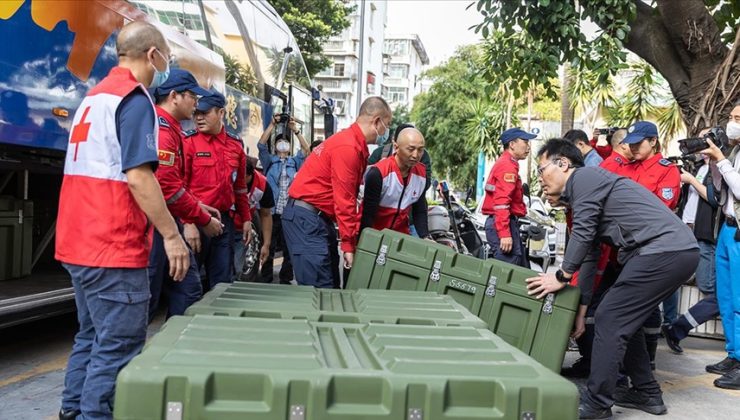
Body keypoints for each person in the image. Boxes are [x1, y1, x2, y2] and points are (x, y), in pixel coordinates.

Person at [55, 21, 190, 420]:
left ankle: (72, 411)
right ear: (153, 55)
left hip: (78, 242)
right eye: (166, 56)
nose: (165, 65)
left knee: (91, 336)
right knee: (118, 346)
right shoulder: (133, 100)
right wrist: (172, 236)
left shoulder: (94, 97)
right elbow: (140, 177)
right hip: (112, 244)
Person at [527, 138, 698, 419]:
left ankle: (596, 404)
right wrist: (581, 312)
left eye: (541, 169)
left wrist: (561, 275)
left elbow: (581, 237)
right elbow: (590, 256)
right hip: (671, 252)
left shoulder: (584, 177)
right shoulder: (583, 195)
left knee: (610, 316)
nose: (540, 179)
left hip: (664, 250)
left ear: (563, 163)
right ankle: (646, 393)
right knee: (619, 317)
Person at [283, 96, 392, 288]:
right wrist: (349, 246)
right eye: (387, 125)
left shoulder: (353, 144)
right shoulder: (348, 147)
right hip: (306, 219)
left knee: (330, 284)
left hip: (315, 218)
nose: (386, 132)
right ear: (376, 121)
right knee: (319, 290)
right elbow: (345, 200)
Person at [147, 69, 222, 321]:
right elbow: (165, 186)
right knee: (144, 303)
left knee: (187, 290)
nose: (196, 104)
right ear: (174, 96)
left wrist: (197, 206)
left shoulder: (171, 128)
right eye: (192, 96)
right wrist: (200, 218)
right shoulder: (163, 130)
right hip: (154, 227)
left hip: (165, 224)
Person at [622, 120, 682, 369]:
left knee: (649, 304)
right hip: (626, 244)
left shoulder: (667, 170)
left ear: (653, 141)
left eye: (638, 144)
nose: (633, 148)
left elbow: (662, 208)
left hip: (653, 245)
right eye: (630, 144)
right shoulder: (627, 166)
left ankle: (649, 357)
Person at [183, 89, 251, 290]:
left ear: (221, 113)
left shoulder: (235, 145)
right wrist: (188, 223)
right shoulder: (188, 143)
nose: (199, 118)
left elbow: (239, 187)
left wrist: (246, 218)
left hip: (224, 223)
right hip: (196, 220)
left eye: (205, 113)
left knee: (222, 284)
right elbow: (179, 187)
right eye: (196, 113)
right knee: (188, 286)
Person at [663, 152, 720, 354]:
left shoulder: (719, 169)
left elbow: (715, 199)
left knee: (720, 294)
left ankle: (676, 327)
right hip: (691, 232)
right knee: (719, 294)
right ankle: (674, 326)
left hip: (706, 236)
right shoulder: (699, 168)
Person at [703, 101, 740, 389]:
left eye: (737, 118)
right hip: (727, 229)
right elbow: (721, 189)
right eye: (730, 117)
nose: (732, 122)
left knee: (739, 300)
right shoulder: (735, 150)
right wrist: (715, 162)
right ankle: (733, 353)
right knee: (726, 297)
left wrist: (722, 160)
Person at [257, 115, 309, 284]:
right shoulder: (269, 162)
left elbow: (306, 149)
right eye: (280, 142)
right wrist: (272, 124)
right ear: (276, 146)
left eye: (286, 142)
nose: (283, 144)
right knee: (269, 245)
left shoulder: (295, 162)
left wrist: (295, 130)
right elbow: (261, 145)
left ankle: (285, 278)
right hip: (271, 213)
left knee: (289, 248)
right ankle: (266, 277)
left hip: (289, 213)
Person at [481, 127, 536, 267]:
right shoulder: (507, 166)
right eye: (525, 141)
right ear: (512, 144)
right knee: (508, 272)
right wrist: (504, 233)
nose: (528, 146)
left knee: (517, 268)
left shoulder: (507, 163)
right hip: (502, 224)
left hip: (503, 222)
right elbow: (501, 203)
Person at [360, 126, 429, 237]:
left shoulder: (421, 174)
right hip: (373, 233)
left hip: (399, 236)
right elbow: (368, 213)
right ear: (396, 147)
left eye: (420, 150)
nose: (416, 155)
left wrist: (425, 236)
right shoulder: (379, 173)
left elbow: (419, 209)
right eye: (410, 149)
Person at [233, 157, 275, 281]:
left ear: (249, 175)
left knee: (239, 268)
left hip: (245, 225)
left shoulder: (262, 185)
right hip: (223, 222)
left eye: (241, 178)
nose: (237, 181)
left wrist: (266, 244)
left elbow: (266, 215)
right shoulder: (228, 180)